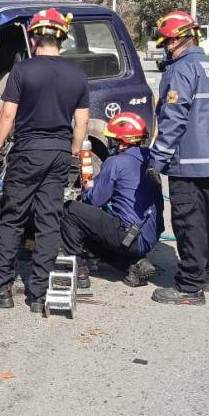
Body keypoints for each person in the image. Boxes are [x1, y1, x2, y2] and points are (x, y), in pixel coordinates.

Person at [0, 8, 89, 315]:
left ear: (34, 38)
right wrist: (71, 151)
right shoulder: (78, 75)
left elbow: (7, 114)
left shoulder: (23, 70)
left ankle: (2, 287)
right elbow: (82, 123)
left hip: (28, 152)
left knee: (13, 217)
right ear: (62, 38)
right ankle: (39, 292)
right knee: (49, 221)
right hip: (59, 154)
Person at [146, 10, 209, 306]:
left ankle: (189, 286)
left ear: (175, 40)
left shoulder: (181, 70)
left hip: (188, 162)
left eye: (166, 43)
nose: (165, 49)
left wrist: (156, 159)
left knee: (188, 223)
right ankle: (208, 273)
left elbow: (173, 118)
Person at [59, 112, 164, 288]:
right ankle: (134, 264)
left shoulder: (115, 162)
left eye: (113, 140)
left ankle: (78, 271)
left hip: (128, 236)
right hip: (149, 237)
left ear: (122, 142)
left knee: (70, 211)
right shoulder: (150, 159)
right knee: (96, 234)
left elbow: (94, 201)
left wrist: (88, 187)